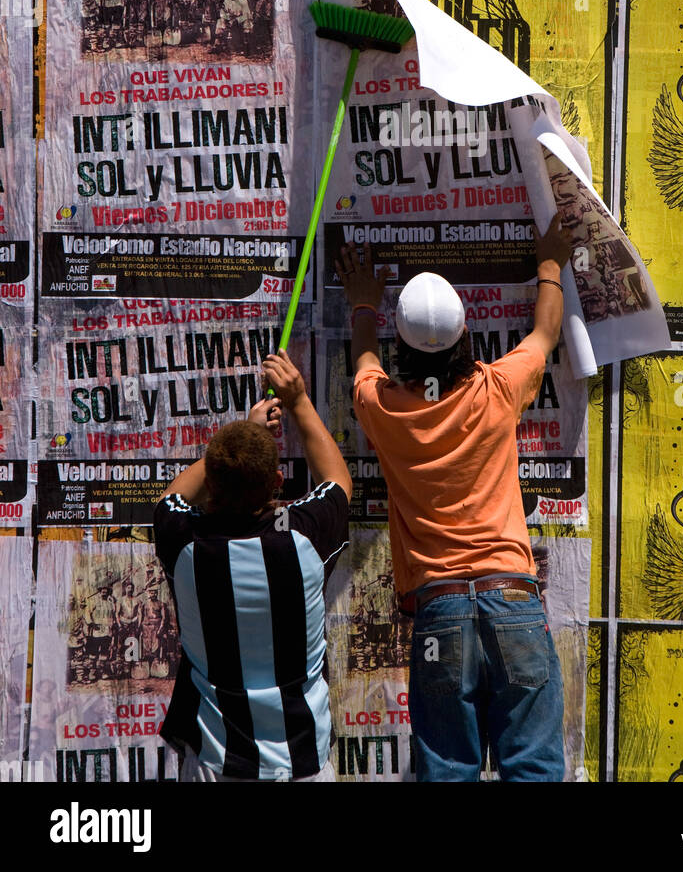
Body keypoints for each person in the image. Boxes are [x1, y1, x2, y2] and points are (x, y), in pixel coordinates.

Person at [336, 215, 572, 782]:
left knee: (446, 773)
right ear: (468, 337)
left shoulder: (383, 410)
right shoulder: (497, 388)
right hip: (513, 603)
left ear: (404, 348)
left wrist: (363, 303)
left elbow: (366, 363)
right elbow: (544, 334)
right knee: (534, 769)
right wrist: (549, 262)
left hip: (440, 616)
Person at [153, 351, 351, 782]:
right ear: (278, 483)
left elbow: (172, 498)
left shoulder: (184, 541)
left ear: (213, 485)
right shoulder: (301, 537)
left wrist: (241, 436)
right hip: (304, 765)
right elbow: (338, 483)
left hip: (215, 764)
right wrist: (297, 399)